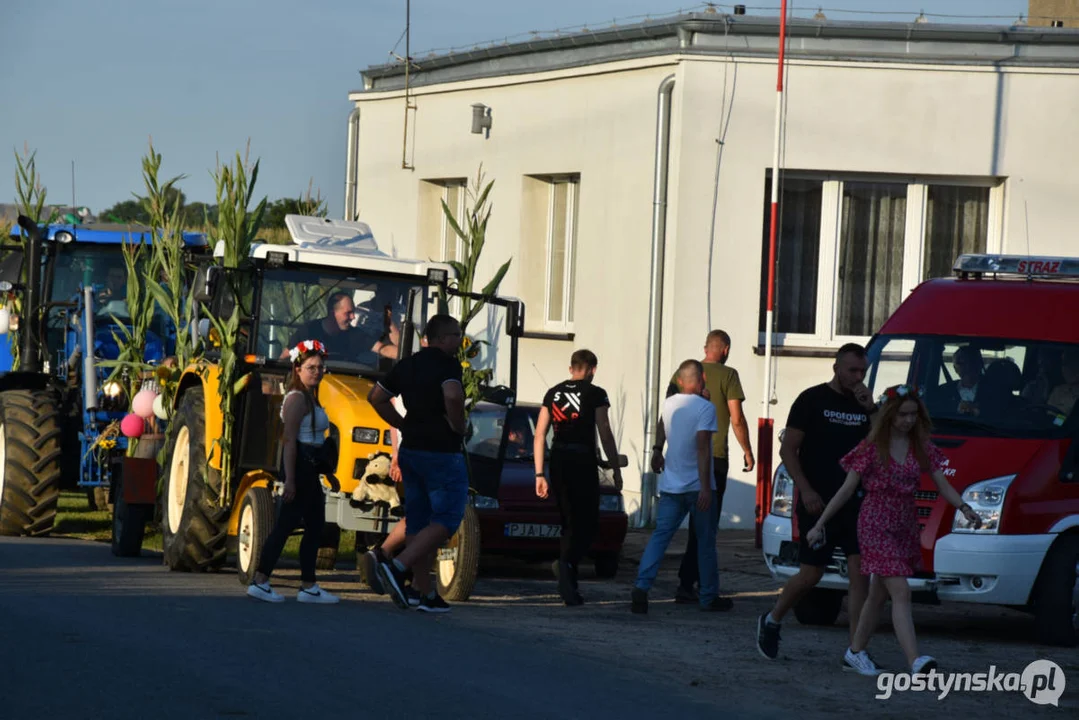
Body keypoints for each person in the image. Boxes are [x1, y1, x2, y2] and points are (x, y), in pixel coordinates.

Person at [806, 385, 982, 675]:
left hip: (904, 523)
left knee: (878, 594)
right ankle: (916, 661)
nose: (909, 420)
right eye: (903, 414)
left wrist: (964, 508)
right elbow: (846, 490)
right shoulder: (872, 447)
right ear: (889, 414)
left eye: (914, 414)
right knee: (901, 591)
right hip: (875, 521)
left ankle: (855, 652)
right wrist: (819, 524)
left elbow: (941, 483)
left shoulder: (920, 446)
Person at [756, 343, 876, 660]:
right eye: (852, 370)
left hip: (855, 502)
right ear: (836, 368)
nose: (858, 376)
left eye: (863, 371)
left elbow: (881, 446)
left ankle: (856, 650)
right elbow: (787, 450)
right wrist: (806, 490)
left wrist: (873, 409)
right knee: (812, 574)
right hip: (817, 503)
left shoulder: (865, 405)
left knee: (860, 574)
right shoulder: (812, 400)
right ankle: (772, 619)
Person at [368, 314, 467, 613]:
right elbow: (452, 395)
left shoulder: (407, 364)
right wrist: (459, 426)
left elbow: (376, 397)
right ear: (440, 338)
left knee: (418, 518)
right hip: (441, 452)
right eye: (455, 334)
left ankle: (421, 591)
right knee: (447, 518)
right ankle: (398, 566)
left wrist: (402, 425)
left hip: (411, 450)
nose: (459, 340)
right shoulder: (447, 364)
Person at [656, 329, 754, 606]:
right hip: (714, 458)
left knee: (674, 528)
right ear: (725, 349)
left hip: (679, 460)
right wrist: (747, 450)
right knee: (706, 529)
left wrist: (657, 449)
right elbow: (736, 418)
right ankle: (698, 587)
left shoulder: (682, 374)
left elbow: (665, 414)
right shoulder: (729, 375)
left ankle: (684, 584)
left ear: (705, 347)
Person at [246, 339, 340, 604]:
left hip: (309, 468)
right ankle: (261, 581)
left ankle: (308, 586)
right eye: (311, 367)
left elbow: (311, 439)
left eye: (320, 367)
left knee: (314, 527)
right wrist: (290, 481)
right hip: (299, 468)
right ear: (297, 369)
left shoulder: (310, 397)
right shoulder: (298, 399)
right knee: (286, 526)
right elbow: (289, 441)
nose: (317, 372)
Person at [632, 360, 726, 613]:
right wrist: (706, 487)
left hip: (672, 486)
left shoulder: (669, 403)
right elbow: (703, 448)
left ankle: (641, 587)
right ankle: (708, 596)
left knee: (660, 537)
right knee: (705, 541)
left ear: (682, 381)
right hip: (697, 486)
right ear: (702, 378)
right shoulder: (706, 408)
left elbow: (664, 430)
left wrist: (656, 451)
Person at [534, 349, 624, 606]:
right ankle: (565, 565)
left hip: (559, 462)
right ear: (592, 369)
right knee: (589, 522)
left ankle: (567, 575)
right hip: (582, 462)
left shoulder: (553, 392)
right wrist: (615, 467)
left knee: (568, 521)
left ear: (571, 367)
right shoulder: (596, 393)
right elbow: (604, 430)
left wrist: (539, 473)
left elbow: (540, 434)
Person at [1047, 347, 1079, 416]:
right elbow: (1051, 420)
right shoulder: (1058, 391)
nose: (1067, 369)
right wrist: (1063, 416)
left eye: (1073, 364)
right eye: (1064, 364)